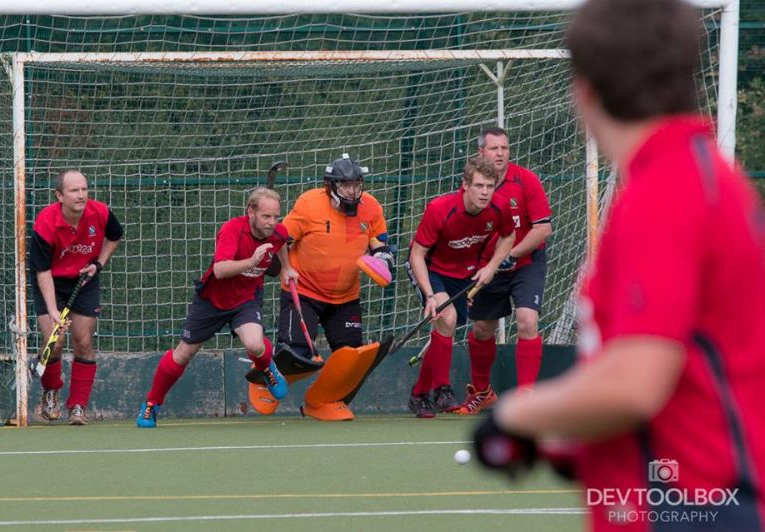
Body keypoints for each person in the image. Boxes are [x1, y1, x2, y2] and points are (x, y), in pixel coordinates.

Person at [473, 0, 765, 530]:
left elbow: (634, 383)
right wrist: (577, 447)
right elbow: (685, 370)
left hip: (687, 510)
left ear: (584, 90)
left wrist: (514, 415)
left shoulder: (664, 194)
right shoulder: (700, 177)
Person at [248, 153, 395, 421]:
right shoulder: (309, 204)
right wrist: (279, 265)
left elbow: (380, 242)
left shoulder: (371, 207)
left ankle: (321, 401)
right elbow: (283, 236)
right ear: (331, 186)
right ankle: (263, 378)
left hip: (346, 296)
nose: (352, 190)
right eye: (345, 185)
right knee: (297, 352)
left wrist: (384, 258)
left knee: (350, 358)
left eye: (356, 184)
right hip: (304, 291)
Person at [136, 187, 295, 428]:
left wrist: (286, 267)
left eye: (276, 217)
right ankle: (151, 405)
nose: (272, 223)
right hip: (211, 301)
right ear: (250, 212)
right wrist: (252, 261)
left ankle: (267, 367)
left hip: (246, 300)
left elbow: (281, 241)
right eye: (266, 217)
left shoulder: (276, 231)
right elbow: (220, 271)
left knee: (254, 343)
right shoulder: (231, 229)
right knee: (183, 354)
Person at [407, 155, 515, 418]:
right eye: (479, 186)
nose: (485, 192)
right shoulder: (440, 209)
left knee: (445, 328)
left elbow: (509, 236)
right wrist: (430, 295)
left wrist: (490, 267)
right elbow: (417, 255)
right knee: (447, 318)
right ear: (465, 185)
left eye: (490, 186)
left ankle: (419, 394)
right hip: (430, 269)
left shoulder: (499, 208)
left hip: (464, 275)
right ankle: (442, 390)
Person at [460, 127, 553, 414]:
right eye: (494, 148)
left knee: (527, 321)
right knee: (482, 328)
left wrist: (511, 254)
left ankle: (526, 396)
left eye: (504, 148)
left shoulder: (526, 181)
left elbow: (543, 228)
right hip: (489, 268)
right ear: (481, 153)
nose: (500, 153)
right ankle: (482, 392)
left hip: (526, 263)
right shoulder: (473, 186)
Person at [29, 169, 123, 425]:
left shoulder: (100, 212)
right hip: (50, 280)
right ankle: (51, 391)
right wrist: (52, 311)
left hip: (84, 280)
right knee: (54, 340)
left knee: (83, 340)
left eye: (84, 189)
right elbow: (43, 271)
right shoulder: (45, 222)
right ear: (59, 195)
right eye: (74, 190)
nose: (81, 195)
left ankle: (78, 406)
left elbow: (115, 236)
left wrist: (99, 264)